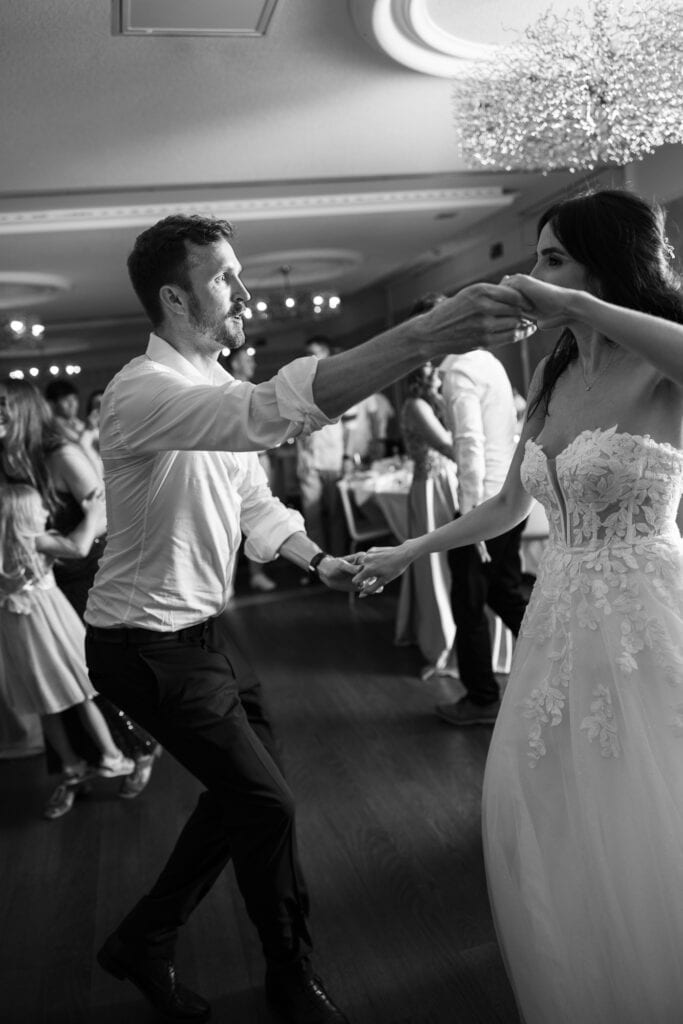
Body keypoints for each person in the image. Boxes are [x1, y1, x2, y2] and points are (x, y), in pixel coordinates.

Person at [81, 212, 528, 1024]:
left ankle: (153, 941)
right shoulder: (141, 391)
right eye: (224, 277)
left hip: (206, 640)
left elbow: (254, 500)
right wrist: (425, 333)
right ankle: (282, 970)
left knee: (249, 798)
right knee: (265, 803)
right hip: (140, 646)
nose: (244, 290)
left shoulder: (210, 387)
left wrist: (317, 560)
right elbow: (268, 415)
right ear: (176, 299)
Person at [352, 188, 683, 1023]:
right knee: (553, 799)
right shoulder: (551, 370)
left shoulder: (658, 363)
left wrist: (574, 303)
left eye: (551, 257)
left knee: (651, 799)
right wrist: (409, 550)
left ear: (603, 267)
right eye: (538, 260)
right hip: (560, 614)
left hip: (648, 610)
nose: (532, 277)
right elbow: (507, 506)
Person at [0, 379, 160, 802]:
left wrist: (66, 541)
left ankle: (137, 749)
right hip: (44, 577)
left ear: (23, 409)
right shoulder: (10, 458)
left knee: (90, 672)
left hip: (85, 572)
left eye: (2, 407)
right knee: (50, 679)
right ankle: (78, 767)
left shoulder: (62, 453)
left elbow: (106, 510)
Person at [0, 483, 135, 819]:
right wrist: (92, 514)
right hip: (52, 629)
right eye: (40, 510)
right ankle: (110, 756)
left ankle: (73, 766)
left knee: (46, 704)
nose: (46, 513)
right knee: (79, 694)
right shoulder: (34, 541)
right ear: (24, 517)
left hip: (19, 637)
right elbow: (77, 547)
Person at [435, 292, 529, 725]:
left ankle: (482, 698)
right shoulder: (488, 361)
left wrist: (467, 514)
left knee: (469, 603)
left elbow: (468, 442)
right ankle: (556, 663)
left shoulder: (457, 370)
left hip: (484, 504)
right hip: (508, 493)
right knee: (504, 590)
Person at [396, 360, 458, 673]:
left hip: (446, 485)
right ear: (419, 374)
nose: (439, 374)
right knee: (434, 565)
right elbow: (448, 446)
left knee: (452, 565)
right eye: (433, 370)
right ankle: (441, 642)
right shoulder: (415, 406)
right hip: (431, 489)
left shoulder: (433, 403)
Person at [224, 346, 277, 592]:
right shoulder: (225, 389)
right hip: (235, 462)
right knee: (230, 522)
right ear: (235, 363)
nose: (252, 364)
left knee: (262, 517)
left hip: (260, 458)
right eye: (248, 359)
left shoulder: (256, 389)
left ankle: (257, 572)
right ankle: (227, 582)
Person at [295, 336, 346, 566]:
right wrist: (300, 457)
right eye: (307, 353)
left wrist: (347, 457)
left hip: (334, 458)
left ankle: (341, 560)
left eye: (314, 352)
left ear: (325, 354)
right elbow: (294, 423)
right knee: (312, 516)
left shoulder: (338, 381)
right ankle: (319, 565)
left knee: (336, 515)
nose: (309, 358)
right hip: (309, 460)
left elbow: (351, 427)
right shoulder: (300, 385)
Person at [45, 378, 85, 443]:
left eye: (74, 399)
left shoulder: (80, 424)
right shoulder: (50, 429)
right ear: (52, 404)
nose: (72, 404)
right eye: (66, 400)